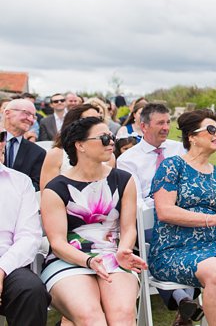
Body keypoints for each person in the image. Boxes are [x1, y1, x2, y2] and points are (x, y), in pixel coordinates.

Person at [150, 109, 216, 326]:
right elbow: (165, 211)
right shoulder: (172, 166)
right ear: (192, 136)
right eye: (210, 129)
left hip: (212, 246)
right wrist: (214, 220)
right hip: (173, 249)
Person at [40, 117, 146, 324]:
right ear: (80, 145)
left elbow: (128, 229)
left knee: (122, 315)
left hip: (113, 255)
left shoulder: (124, 180)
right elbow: (58, 243)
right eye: (104, 137)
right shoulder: (55, 189)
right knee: (91, 317)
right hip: (67, 260)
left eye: (112, 137)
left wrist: (124, 250)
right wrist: (87, 260)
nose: (112, 142)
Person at [117, 102, 195, 325]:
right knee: (169, 241)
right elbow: (136, 204)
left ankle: (182, 300)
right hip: (151, 225)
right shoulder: (127, 160)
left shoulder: (179, 150)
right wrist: (164, 212)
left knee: (196, 238)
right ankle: (184, 299)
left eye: (168, 122)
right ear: (144, 126)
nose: (166, 127)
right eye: (160, 123)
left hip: (183, 218)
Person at [0, 130, 51, 326]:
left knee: (31, 290)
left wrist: (2, 269)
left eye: (1, 137)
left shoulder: (20, 182)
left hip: (8, 261)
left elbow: (29, 236)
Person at [40, 102, 105, 189]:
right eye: (90, 120)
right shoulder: (56, 155)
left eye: (98, 119)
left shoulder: (108, 155)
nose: (97, 124)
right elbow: (47, 194)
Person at [2, 98, 46, 191]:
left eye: (34, 116)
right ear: (7, 113)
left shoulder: (38, 152)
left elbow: (36, 185)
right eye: (26, 113)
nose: (30, 119)